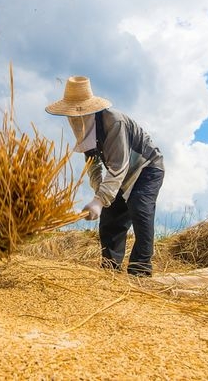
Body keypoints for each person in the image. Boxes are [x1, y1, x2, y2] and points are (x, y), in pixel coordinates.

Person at [46, 76, 165, 277]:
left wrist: (100, 200)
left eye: (77, 113)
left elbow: (119, 165)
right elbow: (92, 164)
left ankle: (140, 271)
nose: (74, 119)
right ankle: (110, 269)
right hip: (119, 175)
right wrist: (99, 197)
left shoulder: (114, 122)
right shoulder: (82, 126)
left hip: (146, 168)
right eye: (71, 115)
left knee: (140, 208)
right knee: (111, 219)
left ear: (89, 109)